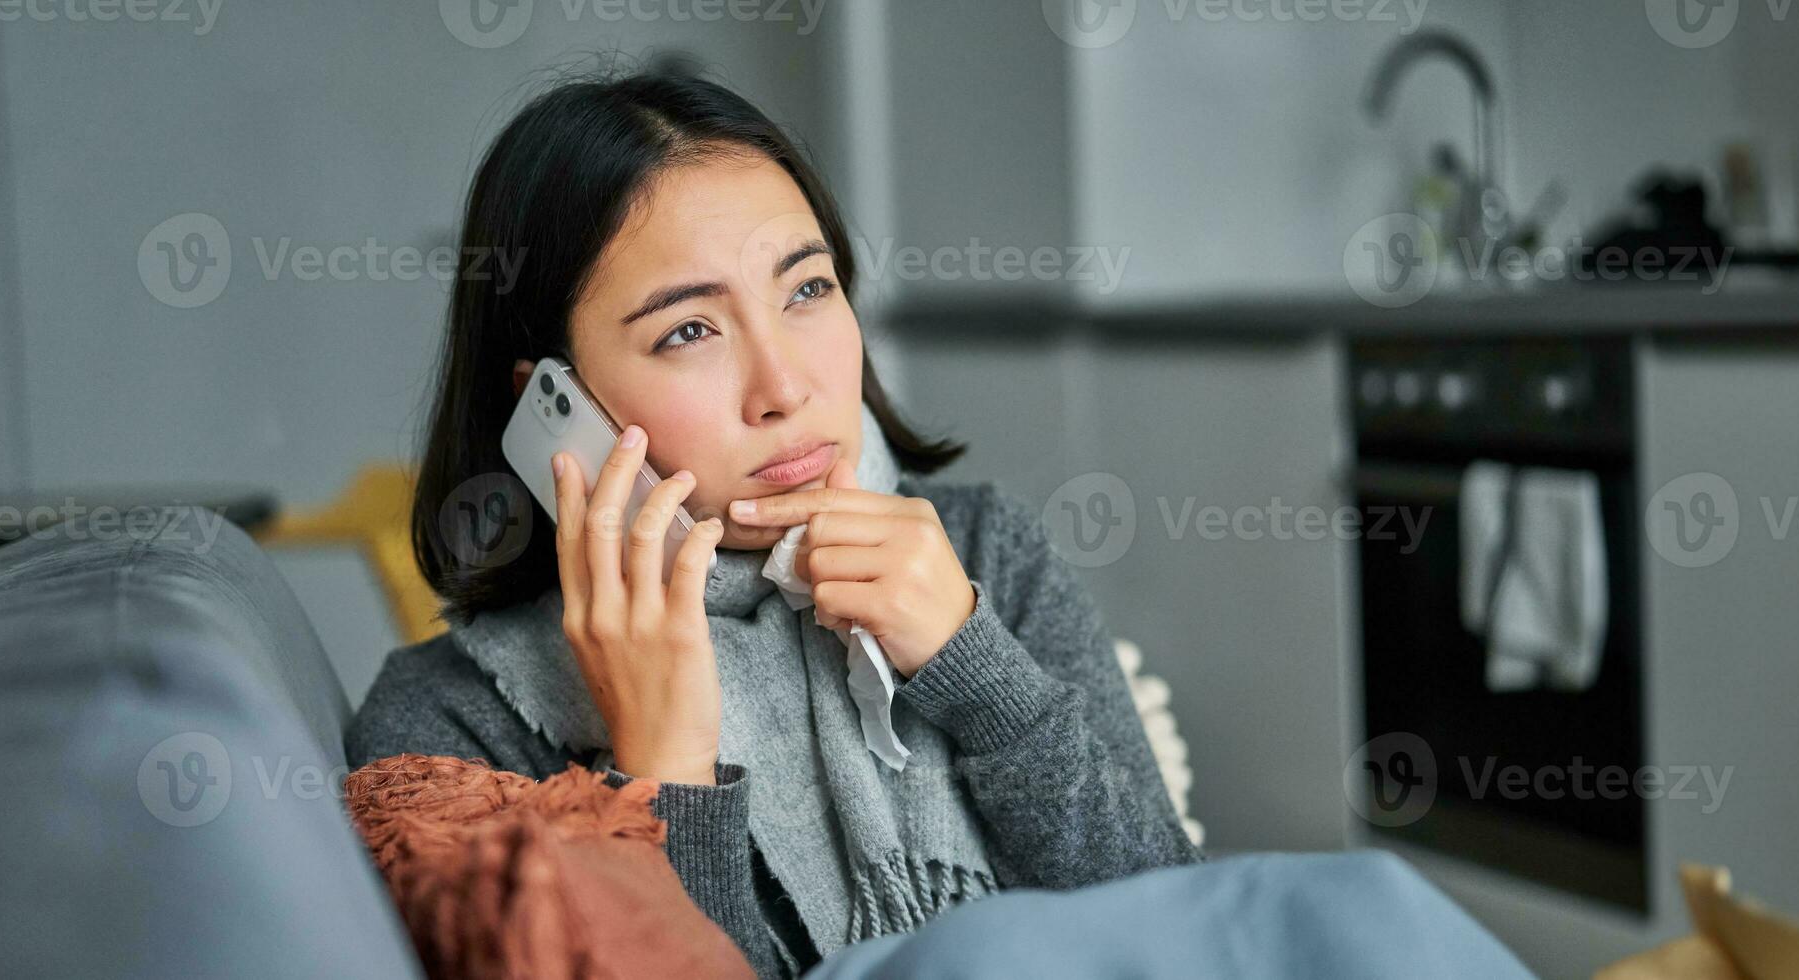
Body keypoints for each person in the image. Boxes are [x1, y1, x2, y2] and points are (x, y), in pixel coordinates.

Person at [344, 65, 1202, 978]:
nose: (785, 388)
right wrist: (664, 777)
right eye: (688, 332)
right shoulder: (447, 724)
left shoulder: (979, 550)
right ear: (554, 406)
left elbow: (1185, 930)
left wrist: (975, 671)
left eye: (806, 290)